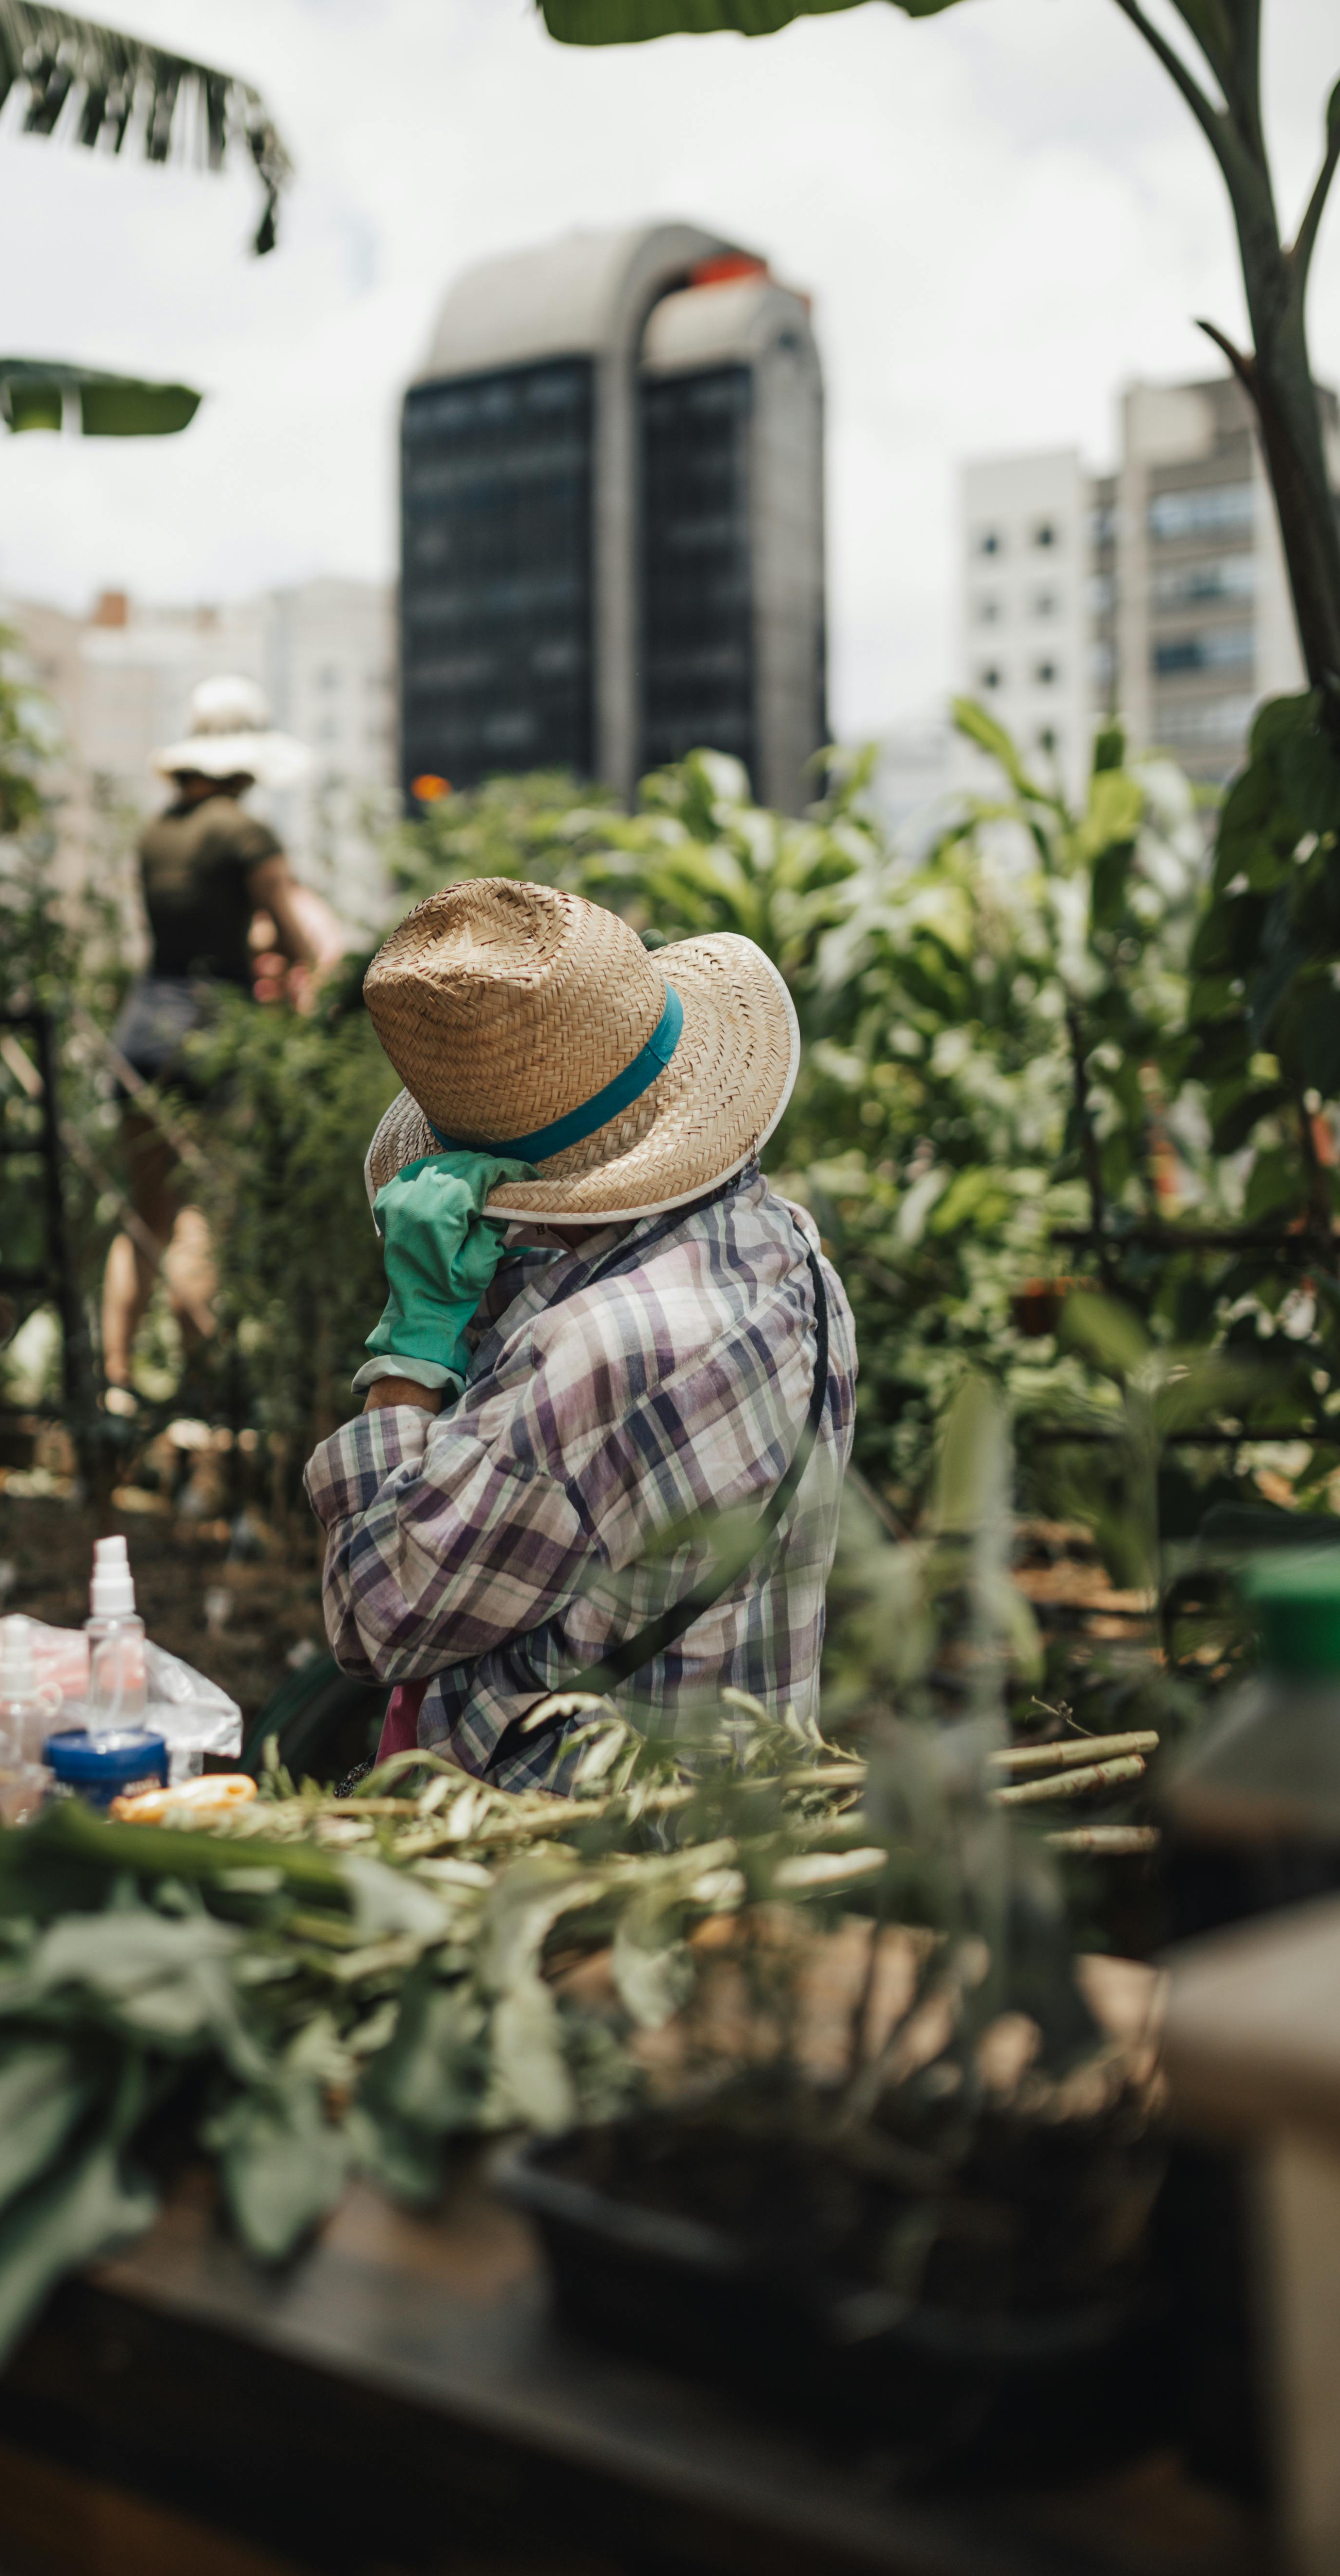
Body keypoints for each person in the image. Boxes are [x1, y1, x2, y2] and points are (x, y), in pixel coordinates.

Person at [306, 877, 857, 1792]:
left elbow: (377, 1617)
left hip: (579, 1856)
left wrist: (409, 1350)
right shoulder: (783, 1242)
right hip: (734, 1807)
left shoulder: (594, 1355)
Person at [102, 678, 332, 1405]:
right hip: (211, 1039)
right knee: (203, 1209)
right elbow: (304, 938)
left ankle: (114, 1384)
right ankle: (200, 1391)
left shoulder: (156, 832)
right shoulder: (242, 833)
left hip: (141, 1029)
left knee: (144, 1214)